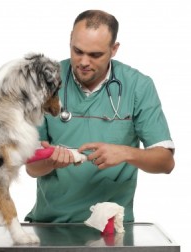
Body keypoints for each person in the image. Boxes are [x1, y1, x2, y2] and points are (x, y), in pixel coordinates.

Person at [25, 10, 175, 223]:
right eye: (77, 51)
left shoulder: (138, 86)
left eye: (95, 55)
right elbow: (32, 167)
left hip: (111, 228)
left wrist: (125, 153)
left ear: (114, 49)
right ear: (70, 39)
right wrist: (51, 162)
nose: (83, 61)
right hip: (51, 224)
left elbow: (166, 162)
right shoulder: (44, 83)